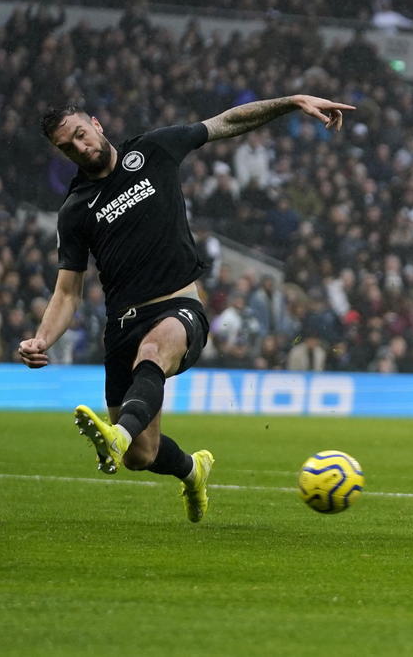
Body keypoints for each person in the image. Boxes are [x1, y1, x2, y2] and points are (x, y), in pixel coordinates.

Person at [18, 94, 355, 522]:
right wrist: (41, 339)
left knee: (153, 352)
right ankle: (192, 471)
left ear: (97, 124)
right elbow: (68, 293)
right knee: (142, 455)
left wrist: (292, 102)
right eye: (67, 147)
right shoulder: (75, 209)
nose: (80, 148)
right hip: (122, 326)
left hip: (178, 308)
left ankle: (117, 436)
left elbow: (227, 122)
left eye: (81, 135)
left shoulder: (153, 150)